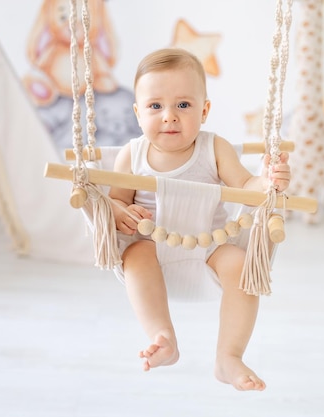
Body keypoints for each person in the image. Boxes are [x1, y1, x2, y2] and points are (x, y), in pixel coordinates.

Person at [108, 48, 291, 391]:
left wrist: (268, 179)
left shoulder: (213, 148)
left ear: (204, 111)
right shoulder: (130, 156)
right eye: (155, 106)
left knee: (241, 263)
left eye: (183, 105)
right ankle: (163, 335)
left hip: (209, 247)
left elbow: (247, 185)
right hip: (152, 245)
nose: (169, 116)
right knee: (134, 256)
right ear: (137, 113)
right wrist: (123, 214)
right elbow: (114, 204)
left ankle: (229, 356)